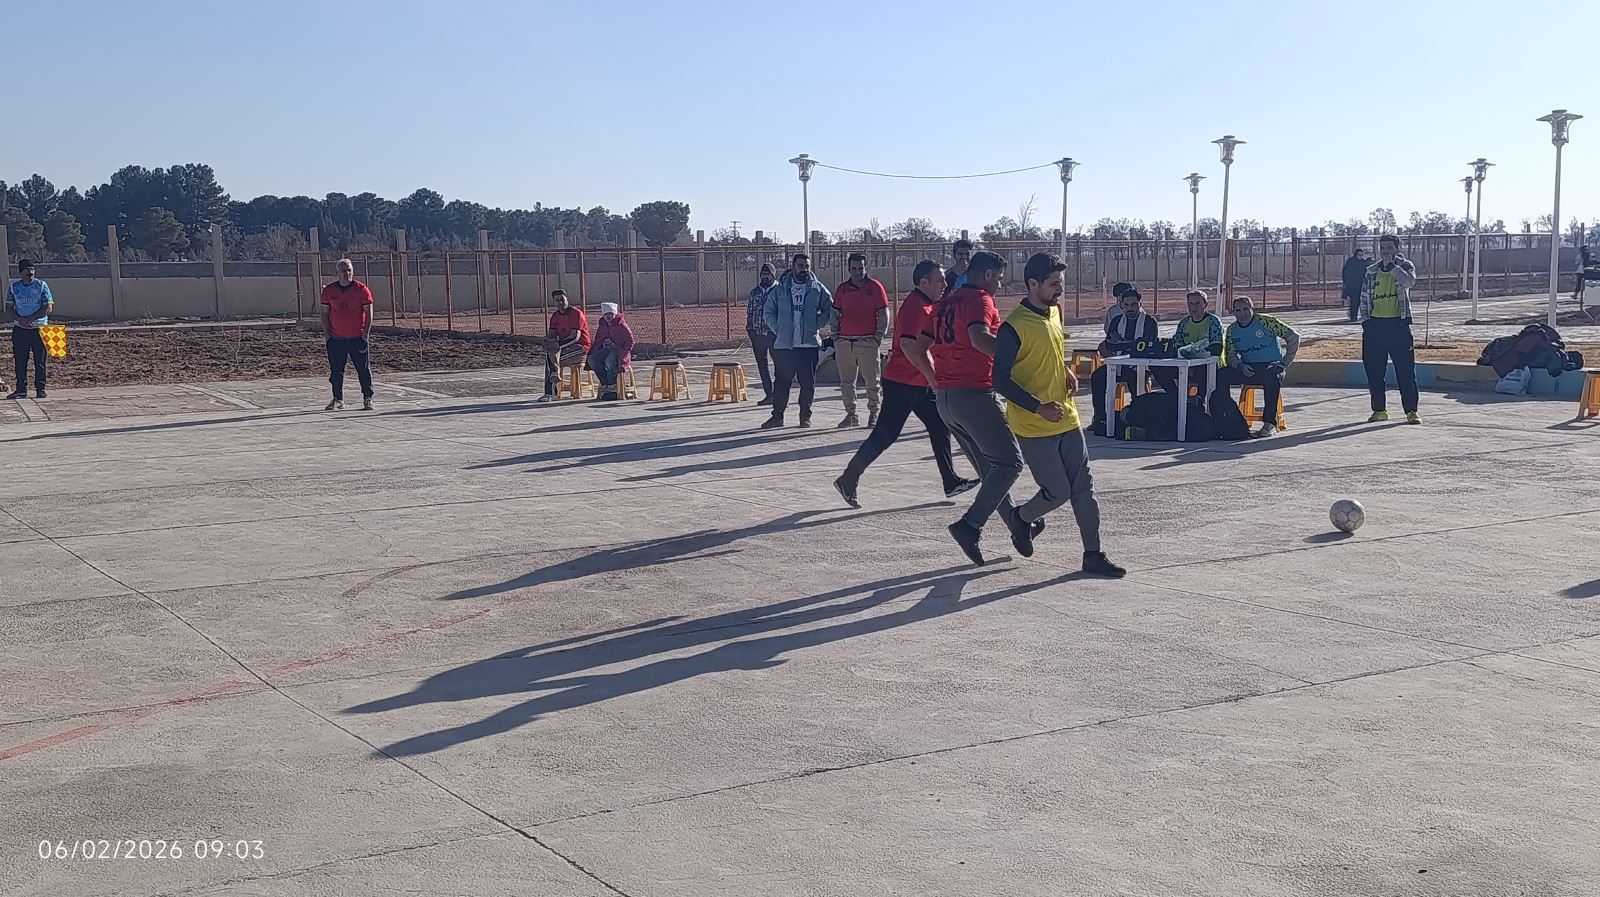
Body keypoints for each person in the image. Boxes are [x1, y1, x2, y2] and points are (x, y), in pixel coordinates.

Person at [993, 253, 1125, 577]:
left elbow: (1049, 349)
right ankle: (1021, 518)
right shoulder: (1013, 327)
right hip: (1034, 425)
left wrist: (1065, 369)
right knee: (1058, 492)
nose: (1060, 290)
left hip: (1067, 417)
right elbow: (1000, 381)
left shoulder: (1054, 311)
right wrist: (1037, 406)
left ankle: (1093, 554)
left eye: (1061, 283)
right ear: (1032, 284)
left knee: (1084, 489)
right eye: (1053, 284)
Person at [916, 249, 1038, 565]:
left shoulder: (944, 303)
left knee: (990, 470)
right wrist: (1019, 358)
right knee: (1010, 463)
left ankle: (1017, 525)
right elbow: (979, 338)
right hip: (974, 394)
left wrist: (934, 378)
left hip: (946, 399)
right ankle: (970, 525)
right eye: (999, 278)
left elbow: (918, 347)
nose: (999, 285)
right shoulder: (980, 300)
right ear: (987, 275)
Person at [832, 260, 978, 508]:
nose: (944, 284)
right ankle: (848, 479)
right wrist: (932, 377)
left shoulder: (929, 304)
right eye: (939, 280)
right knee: (885, 435)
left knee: (939, 426)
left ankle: (951, 481)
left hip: (918, 383)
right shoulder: (915, 306)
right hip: (902, 383)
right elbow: (909, 346)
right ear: (923, 282)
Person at [760, 253, 833, 429]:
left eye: (807, 266)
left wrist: (816, 324)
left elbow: (829, 308)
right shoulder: (781, 289)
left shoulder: (817, 288)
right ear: (793, 266)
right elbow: (768, 311)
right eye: (800, 266)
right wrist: (778, 329)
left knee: (807, 383)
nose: (804, 270)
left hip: (808, 345)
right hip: (786, 346)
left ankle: (805, 417)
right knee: (782, 383)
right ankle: (777, 417)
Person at [1214, 295, 1300, 437]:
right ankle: (1229, 419)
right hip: (1247, 367)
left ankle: (1269, 423)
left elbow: (1293, 337)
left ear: (1252, 309)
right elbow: (1231, 355)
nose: (1242, 314)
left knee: (1272, 377)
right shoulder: (1232, 330)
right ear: (1233, 312)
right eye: (1238, 310)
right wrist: (1240, 366)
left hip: (1271, 365)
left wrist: (1286, 361)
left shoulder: (1266, 321)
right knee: (1220, 375)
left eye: (1246, 309)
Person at [1357, 234, 1420, 424]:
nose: (1386, 251)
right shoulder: (1371, 271)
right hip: (1376, 327)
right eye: (1383, 248)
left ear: (1397, 248)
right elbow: (1364, 298)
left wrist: (1393, 267)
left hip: (1398, 326)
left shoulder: (1405, 266)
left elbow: (1409, 282)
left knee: (1405, 371)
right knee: (1374, 371)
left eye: (1390, 248)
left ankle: (1411, 411)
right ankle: (1379, 410)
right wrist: (1366, 322)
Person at [830, 251, 890, 428]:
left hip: (868, 342)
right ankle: (851, 415)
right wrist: (836, 337)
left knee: (872, 381)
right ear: (849, 269)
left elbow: (883, 313)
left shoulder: (875, 287)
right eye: (854, 268)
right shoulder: (842, 289)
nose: (858, 272)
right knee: (847, 383)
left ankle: (874, 413)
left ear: (866, 268)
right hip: (845, 343)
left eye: (861, 268)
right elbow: (835, 313)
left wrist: (878, 337)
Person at [1088, 286, 1158, 433]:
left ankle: (1136, 418)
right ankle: (1100, 417)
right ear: (1121, 305)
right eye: (1126, 305)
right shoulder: (1116, 321)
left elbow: (1147, 346)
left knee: (1135, 379)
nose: (1130, 308)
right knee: (1097, 377)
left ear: (1140, 304)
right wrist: (1133, 344)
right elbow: (1109, 344)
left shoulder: (1149, 322)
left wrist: (1122, 342)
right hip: (1118, 364)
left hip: (1140, 366)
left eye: (1133, 304)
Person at [319, 258, 375, 411]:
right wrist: (327, 335)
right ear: (337, 273)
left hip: (357, 338)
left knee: (363, 369)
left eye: (349, 270)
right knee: (336, 371)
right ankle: (338, 398)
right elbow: (324, 313)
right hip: (336, 339)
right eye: (343, 270)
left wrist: (365, 334)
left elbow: (369, 313)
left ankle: (368, 398)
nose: (347, 273)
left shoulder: (361, 290)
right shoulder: (329, 291)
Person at [1151, 289, 1224, 398]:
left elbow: (1216, 348)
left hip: (1207, 365)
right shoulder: (1183, 323)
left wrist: (1195, 358)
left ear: (1205, 305)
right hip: (1185, 364)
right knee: (1157, 367)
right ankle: (1176, 397)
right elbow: (1176, 345)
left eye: (1197, 303)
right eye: (1191, 303)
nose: (1194, 307)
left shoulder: (1213, 321)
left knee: (1203, 370)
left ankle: (1199, 402)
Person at [6, 259, 53, 400]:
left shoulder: (42, 286)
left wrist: (32, 318)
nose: (30, 272)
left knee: (40, 360)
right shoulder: (14, 287)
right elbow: (9, 307)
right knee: (20, 360)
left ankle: (41, 389)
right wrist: (20, 319)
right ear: (21, 272)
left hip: (39, 328)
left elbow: (48, 307)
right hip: (20, 329)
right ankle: (21, 389)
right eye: (27, 270)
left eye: (32, 269)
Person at [539, 289, 591, 402]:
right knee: (550, 355)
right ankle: (554, 378)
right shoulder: (555, 316)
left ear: (567, 299)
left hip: (581, 348)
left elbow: (575, 337)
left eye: (562, 299)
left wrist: (557, 346)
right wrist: (547, 340)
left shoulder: (576, 314)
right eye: (557, 300)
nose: (560, 303)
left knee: (551, 358)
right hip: (564, 347)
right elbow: (552, 333)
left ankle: (551, 392)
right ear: (554, 302)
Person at [746, 263, 780, 405]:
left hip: (774, 334)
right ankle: (769, 394)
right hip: (757, 334)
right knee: (762, 365)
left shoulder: (779, 291)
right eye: (762, 274)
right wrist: (750, 330)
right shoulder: (755, 292)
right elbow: (750, 311)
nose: (764, 277)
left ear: (773, 275)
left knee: (779, 364)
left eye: (767, 274)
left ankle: (779, 394)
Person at [588, 302, 634, 401]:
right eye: (606, 314)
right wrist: (604, 342)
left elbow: (630, 340)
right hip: (606, 349)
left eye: (610, 314)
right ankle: (604, 382)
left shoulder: (621, 325)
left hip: (619, 351)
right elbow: (598, 339)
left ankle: (612, 383)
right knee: (592, 359)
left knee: (609, 360)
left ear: (615, 314)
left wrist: (624, 351)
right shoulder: (602, 326)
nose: (608, 316)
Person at [1342, 247, 1369, 322]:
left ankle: (1361, 315)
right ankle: (1353, 315)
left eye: (1361, 255)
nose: (1360, 256)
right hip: (1353, 285)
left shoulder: (1363, 263)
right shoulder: (1351, 262)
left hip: (1361, 285)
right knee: (1354, 301)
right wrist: (1346, 283)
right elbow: (1345, 273)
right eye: (1359, 255)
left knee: (1361, 301)